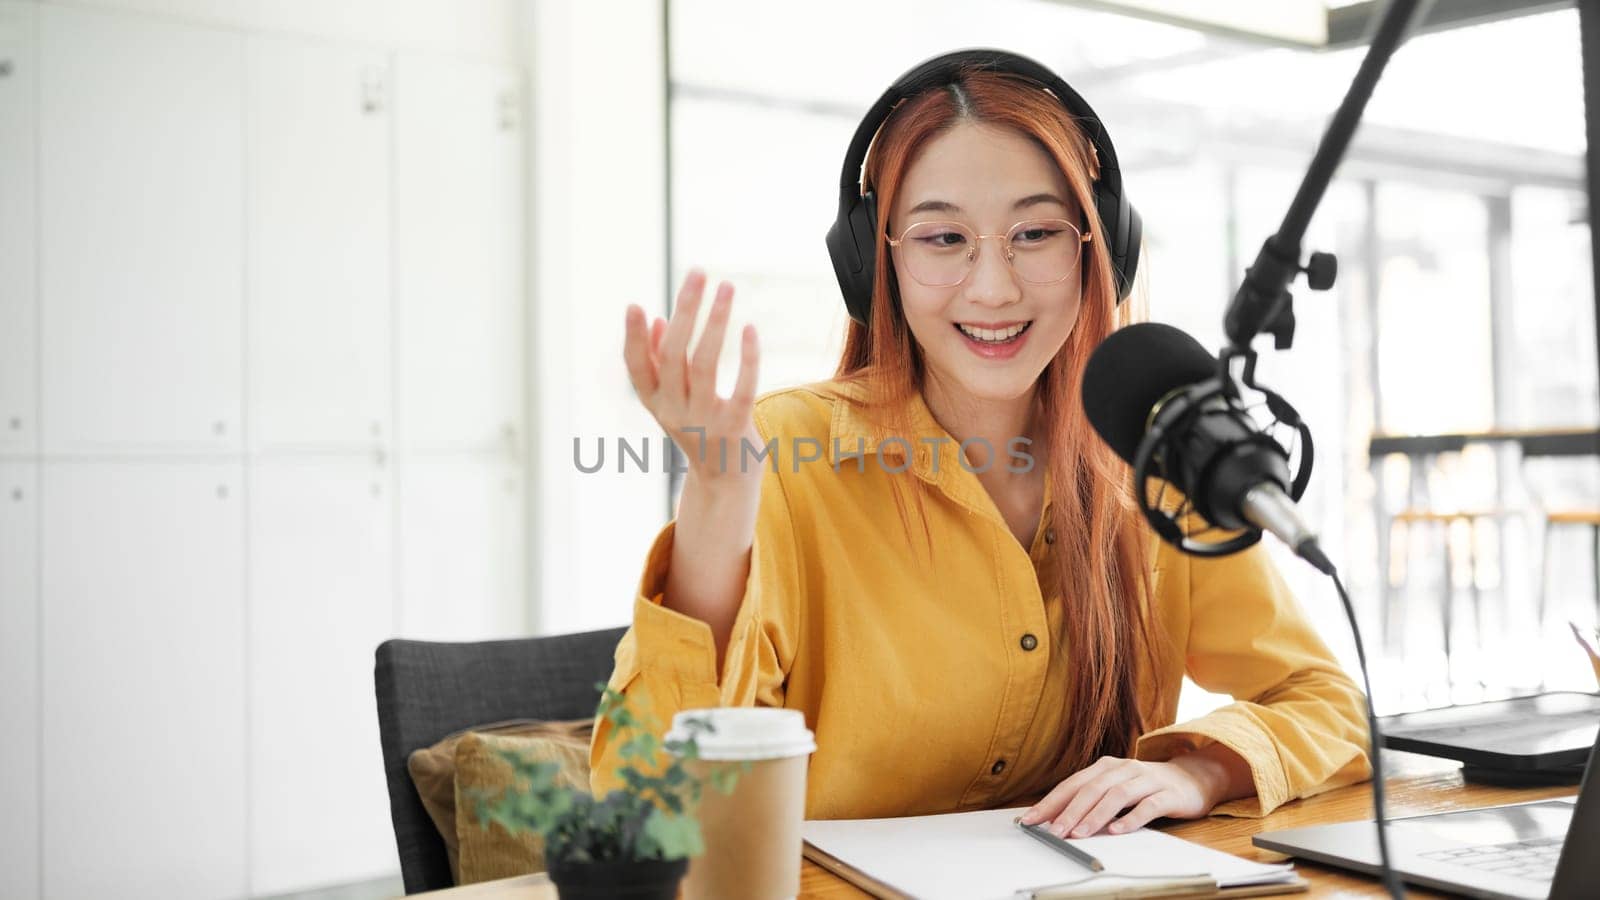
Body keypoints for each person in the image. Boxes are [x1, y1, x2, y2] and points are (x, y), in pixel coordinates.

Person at [590, 49, 1370, 840]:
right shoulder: (785, 454)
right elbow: (643, 797)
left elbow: (1329, 705)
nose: (993, 287)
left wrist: (1196, 772)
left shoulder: (1155, 456)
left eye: (1034, 232)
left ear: (1098, 248)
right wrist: (718, 503)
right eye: (941, 239)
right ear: (874, 261)